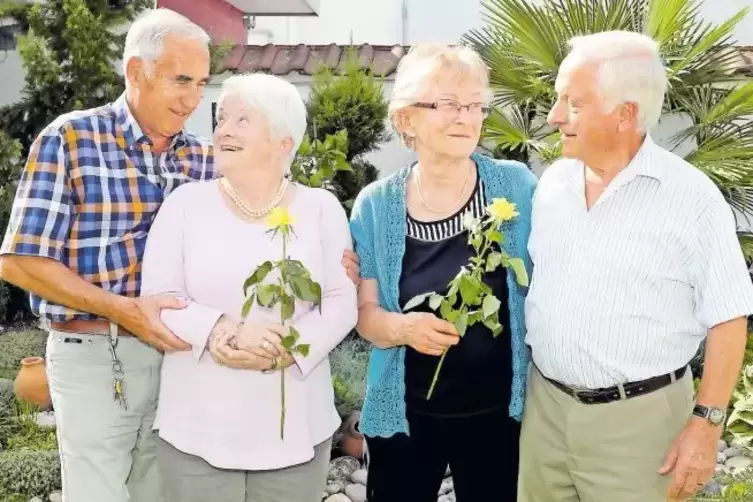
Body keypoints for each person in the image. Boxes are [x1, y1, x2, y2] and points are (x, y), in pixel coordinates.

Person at [0, 8, 359, 502]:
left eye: (202, 84)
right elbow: (19, 261)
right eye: (181, 81)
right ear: (135, 71)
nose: (194, 100)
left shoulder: (201, 157)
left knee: (157, 490)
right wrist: (125, 310)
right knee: (98, 491)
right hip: (99, 354)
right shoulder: (72, 138)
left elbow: (255, 208)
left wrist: (330, 262)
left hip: (177, 359)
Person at [520, 31, 753, 502]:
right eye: (558, 98)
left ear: (625, 113)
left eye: (575, 103)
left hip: (639, 427)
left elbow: (729, 318)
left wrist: (706, 427)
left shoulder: (691, 199)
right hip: (545, 411)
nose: (554, 116)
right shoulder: (552, 184)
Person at [139, 72, 358, 502]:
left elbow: (340, 300)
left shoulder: (321, 209)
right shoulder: (184, 206)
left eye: (242, 119)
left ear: (283, 141)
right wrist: (226, 330)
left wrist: (289, 347)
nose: (223, 130)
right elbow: (160, 300)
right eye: (221, 119)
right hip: (196, 427)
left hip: (294, 427)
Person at [348, 43, 537, 502]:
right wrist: (403, 327)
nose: (466, 118)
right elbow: (366, 316)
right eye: (449, 105)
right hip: (406, 416)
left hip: (500, 417)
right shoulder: (376, 205)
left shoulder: (516, 187)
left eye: (475, 105)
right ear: (407, 118)